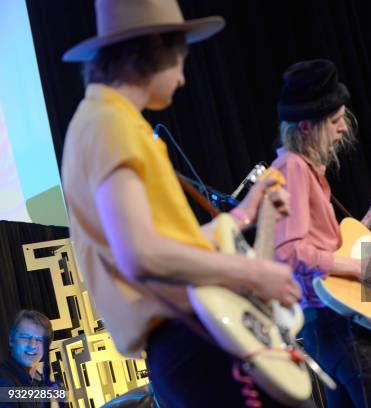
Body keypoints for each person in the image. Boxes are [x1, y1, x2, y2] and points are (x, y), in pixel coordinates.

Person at [61, 1, 302, 407]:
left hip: (186, 345)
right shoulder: (110, 124)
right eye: (181, 60)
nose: (184, 79)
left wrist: (244, 212)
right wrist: (254, 272)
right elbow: (140, 255)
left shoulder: (106, 120)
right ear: (154, 47)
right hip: (191, 344)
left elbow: (162, 244)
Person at [272, 59, 371, 408]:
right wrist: (360, 270)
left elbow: (341, 246)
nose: (343, 130)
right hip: (335, 323)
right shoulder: (293, 168)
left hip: (330, 322)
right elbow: (290, 252)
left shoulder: (305, 172)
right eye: (334, 122)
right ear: (306, 126)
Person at [0, 310, 62, 408]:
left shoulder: (40, 382)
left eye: (39, 339)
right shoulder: (3, 381)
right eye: (25, 337)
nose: (32, 345)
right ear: (12, 340)